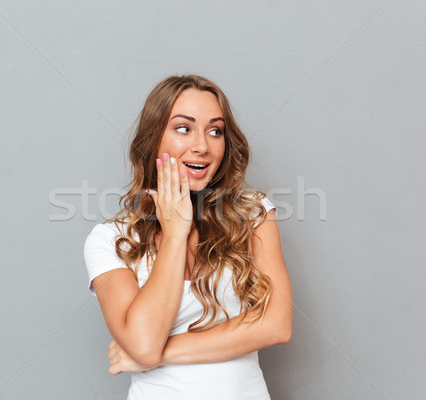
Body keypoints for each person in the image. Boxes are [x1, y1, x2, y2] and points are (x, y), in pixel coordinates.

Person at [83, 74, 293, 399]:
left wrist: (158, 353)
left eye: (215, 131)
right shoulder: (109, 240)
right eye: (184, 128)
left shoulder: (253, 214)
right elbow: (144, 345)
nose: (202, 146)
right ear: (153, 138)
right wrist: (176, 232)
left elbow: (277, 325)